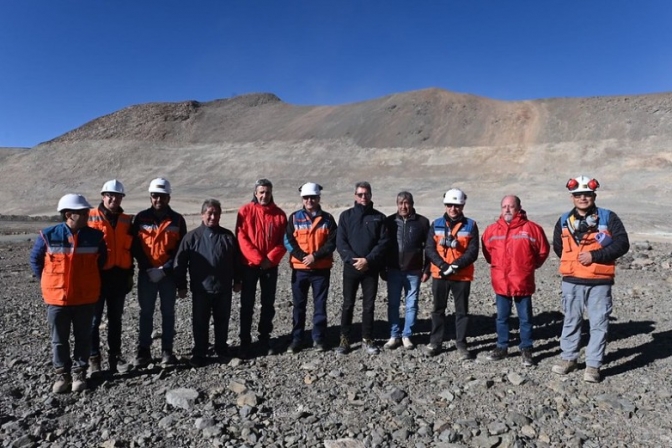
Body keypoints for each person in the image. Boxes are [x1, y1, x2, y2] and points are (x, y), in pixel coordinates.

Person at [551, 176, 629, 383]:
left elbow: (622, 244)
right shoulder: (563, 220)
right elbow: (559, 248)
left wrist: (594, 256)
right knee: (571, 320)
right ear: (572, 197)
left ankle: (593, 365)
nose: (582, 198)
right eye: (578, 195)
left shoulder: (608, 217)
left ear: (594, 195)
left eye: (586, 194)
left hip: (599, 282)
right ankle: (569, 358)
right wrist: (574, 264)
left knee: (598, 323)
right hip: (572, 280)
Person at [29, 194, 107, 393]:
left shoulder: (95, 237)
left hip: (85, 298)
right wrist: (50, 282)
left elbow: (101, 262)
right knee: (59, 339)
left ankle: (80, 372)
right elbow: (35, 261)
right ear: (69, 214)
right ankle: (62, 374)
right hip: (57, 299)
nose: (87, 215)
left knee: (83, 337)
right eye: (82, 212)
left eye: (86, 212)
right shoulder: (48, 235)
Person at [481, 195, 550, 366]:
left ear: (519, 208)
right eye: (504, 206)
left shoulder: (532, 229)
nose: (507, 210)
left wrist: (529, 267)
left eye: (511, 206)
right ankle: (502, 346)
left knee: (525, 317)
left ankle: (526, 348)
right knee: (502, 317)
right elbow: (487, 252)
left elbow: (542, 251)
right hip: (501, 281)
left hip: (522, 281)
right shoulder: (492, 230)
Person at [174, 199, 242, 367]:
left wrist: (237, 281)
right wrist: (181, 285)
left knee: (222, 319)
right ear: (202, 214)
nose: (213, 217)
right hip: (201, 289)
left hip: (223, 288)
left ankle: (221, 349)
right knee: (199, 321)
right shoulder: (191, 237)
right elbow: (180, 262)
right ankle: (199, 352)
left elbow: (236, 261)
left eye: (216, 213)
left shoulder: (227, 236)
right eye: (209, 213)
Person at [131, 178, 187, 368]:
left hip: (168, 276)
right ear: (150, 197)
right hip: (147, 274)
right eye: (155, 196)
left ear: (168, 197)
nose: (158, 199)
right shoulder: (140, 218)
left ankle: (167, 351)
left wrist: (165, 269)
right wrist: (148, 267)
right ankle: (143, 351)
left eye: (162, 196)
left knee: (168, 313)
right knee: (145, 312)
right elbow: (135, 247)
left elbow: (181, 250)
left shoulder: (178, 220)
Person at [336, 181, 389, 355]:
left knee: (368, 305)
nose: (363, 197)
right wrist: (353, 260)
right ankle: (345, 339)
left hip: (370, 269)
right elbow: (341, 241)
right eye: (360, 194)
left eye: (366, 194)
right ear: (355, 196)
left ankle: (367, 338)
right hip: (351, 269)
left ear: (371, 195)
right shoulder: (346, 216)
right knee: (348, 304)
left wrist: (368, 260)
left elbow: (383, 243)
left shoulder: (379, 218)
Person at [284, 182, 338, 354]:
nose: (309, 201)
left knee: (320, 305)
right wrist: (303, 257)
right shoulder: (294, 218)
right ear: (302, 199)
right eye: (306, 198)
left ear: (318, 198)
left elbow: (332, 243)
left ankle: (319, 339)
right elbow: (288, 241)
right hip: (300, 270)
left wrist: (315, 256)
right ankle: (297, 339)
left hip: (321, 270)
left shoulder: (328, 219)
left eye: (313, 197)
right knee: (299, 306)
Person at [425, 188, 479, 358]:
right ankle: (435, 342)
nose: (453, 209)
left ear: (462, 206)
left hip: (461, 276)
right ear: (445, 205)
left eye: (456, 205)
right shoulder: (436, 224)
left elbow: (473, 251)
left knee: (461, 312)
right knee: (438, 310)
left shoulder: (471, 225)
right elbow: (429, 248)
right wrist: (442, 265)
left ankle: (461, 344)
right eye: (449, 205)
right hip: (440, 275)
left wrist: (455, 266)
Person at [236, 178, 287, 357]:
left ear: (271, 193)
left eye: (267, 192)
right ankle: (245, 341)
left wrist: (270, 259)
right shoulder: (245, 211)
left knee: (268, 303)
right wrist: (258, 259)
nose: (264, 195)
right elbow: (242, 238)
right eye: (261, 192)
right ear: (255, 193)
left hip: (270, 267)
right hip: (249, 265)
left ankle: (264, 338)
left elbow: (283, 241)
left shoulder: (279, 215)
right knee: (247, 304)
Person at [87, 180, 134, 375]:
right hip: (96, 277)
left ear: (122, 198)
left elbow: (131, 249)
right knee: (93, 320)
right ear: (103, 196)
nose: (113, 199)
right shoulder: (89, 217)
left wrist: (130, 274)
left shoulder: (126, 220)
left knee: (115, 320)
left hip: (119, 276)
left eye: (117, 196)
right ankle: (93, 358)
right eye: (109, 195)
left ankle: (115, 356)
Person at [382, 191, 430, 350]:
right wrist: (383, 268)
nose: (404, 206)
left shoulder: (422, 222)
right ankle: (394, 335)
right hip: (394, 269)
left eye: (407, 203)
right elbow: (384, 246)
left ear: (412, 204)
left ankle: (407, 335)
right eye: (401, 203)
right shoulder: (389, 222)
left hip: (414, 271)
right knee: (393, 304)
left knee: (412, 304)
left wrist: (427, 268)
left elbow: (429, 248)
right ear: (397, 204)